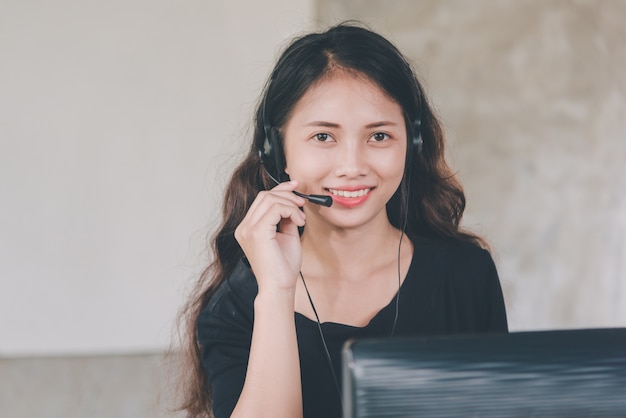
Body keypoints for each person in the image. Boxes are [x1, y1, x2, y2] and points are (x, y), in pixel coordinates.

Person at [177, 22, 508, 418]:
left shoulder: (466, 276)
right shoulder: (237, 305)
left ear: (412, 143)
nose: (352, 167)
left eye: (379, 136)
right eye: (323, 137)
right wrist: (276, 293)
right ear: (276, 149)